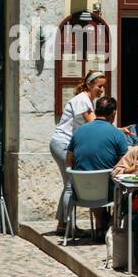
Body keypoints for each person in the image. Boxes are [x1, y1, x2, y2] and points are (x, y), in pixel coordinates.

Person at [49, 71, 105, 235]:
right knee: (70, 184)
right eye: (99, 86)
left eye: (103, 87)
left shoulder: (87, 100)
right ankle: (65, 226)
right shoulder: (82, 100)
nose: (102, 90)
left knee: (69, 183)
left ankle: (62, 224)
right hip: (63, 144)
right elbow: (95, 124)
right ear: (89, 85)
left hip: (65, 144)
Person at [66, 97, 131, 237]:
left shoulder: (78, 132)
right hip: (106, 193)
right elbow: (124, 165)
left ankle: (101, 223)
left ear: (95, 111)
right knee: (124, 189)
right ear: (113, 113)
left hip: (81, 192)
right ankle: (110, 224)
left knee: (93, 177)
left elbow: (68, 162)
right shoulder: (117, 134)